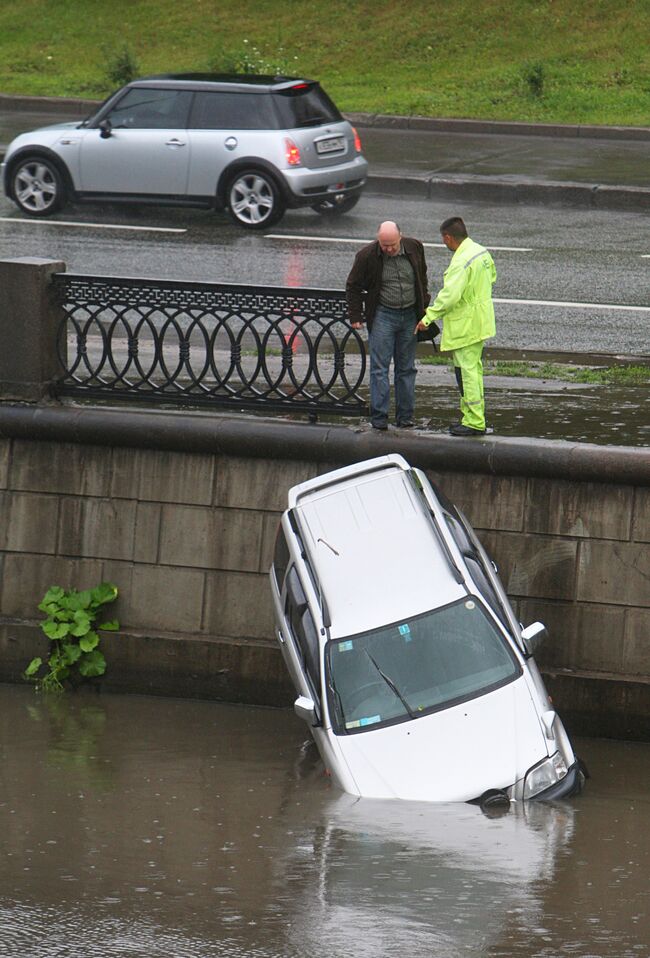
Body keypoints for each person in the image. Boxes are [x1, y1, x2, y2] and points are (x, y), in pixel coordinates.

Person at [416, 216, 496, 436]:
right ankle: (473, 417)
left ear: (448, 237)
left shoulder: (460, 262)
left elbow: (449, 297)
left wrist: (428, 317)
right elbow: (492, 278)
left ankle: (474, 422)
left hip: (466, 325)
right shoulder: (481, 252)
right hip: (481, 320)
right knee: (474, 371)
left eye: (444, 240)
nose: (444, 244)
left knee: (466, 373)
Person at [346, 221, 430, 430]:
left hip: (410, 315)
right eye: (384, 245)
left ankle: (405, 417)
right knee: (379, 368)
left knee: (406, 368)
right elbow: (353, 285)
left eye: (392, 244)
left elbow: (422, 276)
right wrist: (355, 314)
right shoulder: (366, 255)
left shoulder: (414, 247)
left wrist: (424, 306)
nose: (389, 249)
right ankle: (379, 417)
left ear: (400, 237)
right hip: (383, 314)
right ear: (378, 240)